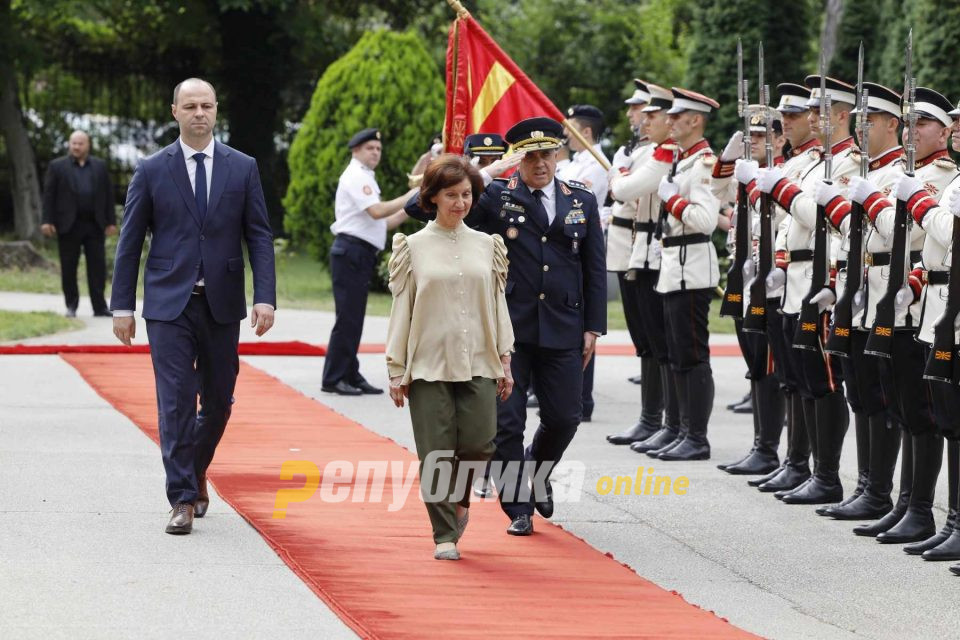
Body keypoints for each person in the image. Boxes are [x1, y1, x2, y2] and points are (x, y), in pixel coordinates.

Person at [405, 116, 606, 536]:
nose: (540, 164)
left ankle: (538, 469)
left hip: (564, 326)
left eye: (547, 155)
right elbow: (418, 206)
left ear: (558, 155)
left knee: (565, 416)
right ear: (516, 159)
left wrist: (593, 327)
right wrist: (487, 171)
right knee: (506, 424)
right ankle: (518, 507)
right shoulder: (494, 195)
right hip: (506, 330)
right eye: (530, 156)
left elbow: (594, 267)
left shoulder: (580, 199)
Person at [110, 77, 277, 535]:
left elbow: (258, 235)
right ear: (174, 112)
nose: (199, 112)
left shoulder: (242, 167)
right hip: (168, 303)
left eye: (206, 105)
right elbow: (129, 243)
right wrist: (121, 305)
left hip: (222, 303)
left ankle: (195, 467)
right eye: (190, 106)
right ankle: (182, 496)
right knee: (177, 402)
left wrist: (265, 296)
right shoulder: (151, 169)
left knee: (219, 402)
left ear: (216, 111)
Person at [385, 154, 515, 560]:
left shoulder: (488, 245)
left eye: (466, 195)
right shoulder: (413, 247)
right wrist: (396, 368)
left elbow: (497, 304)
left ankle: (459, 502)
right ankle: (444, 534)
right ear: (433, 198)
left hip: (479, 357)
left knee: (480, 443)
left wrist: (505, 358)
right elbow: (402, 309)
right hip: (427, 362)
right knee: (436, 451)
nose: (460, 203)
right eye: (451, 195)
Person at [756, 75, 858, 503]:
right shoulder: (816, 162)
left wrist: (780, 188)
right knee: (796, 377)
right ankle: (800, 463)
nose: (813, 120)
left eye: (820, 112)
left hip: (821, 279)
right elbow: (788, 224)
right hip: (794, 276)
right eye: (810, 112)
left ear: (841, 116)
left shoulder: (850, 163)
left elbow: (821, 217)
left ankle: (826, 473)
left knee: (824, 381)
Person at [712, 108, 788, 476]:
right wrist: (728, 157)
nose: (753, 142)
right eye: (750, 137)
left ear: (779, 139)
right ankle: (761, 445)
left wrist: (752, 181)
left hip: (770, 277)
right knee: (755, 363)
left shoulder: (780, 173)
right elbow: (716, 189)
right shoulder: (747, 172)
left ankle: (770, 448)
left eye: (761, 136)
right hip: (743, 271)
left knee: (770, 364)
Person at [650, 87, 721, 461]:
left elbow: (706, 221)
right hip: (674, 266)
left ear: (696, 120)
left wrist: (672, 200)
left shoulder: (705, 163)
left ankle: (697, 436)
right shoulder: (684, 161)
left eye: (677, 117)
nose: (670, 122)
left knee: (692, 356)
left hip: (692, 268)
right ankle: (679, 429)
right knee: (677, 355)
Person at [322, 128, 416, 396]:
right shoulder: (355, 176)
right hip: (350, 251)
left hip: (358, 252)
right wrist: (412, 194)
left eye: (378, 148)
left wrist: (416, 205)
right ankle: (334, 377)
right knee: (348, 319)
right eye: (369, 148)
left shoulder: (365, 177)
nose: (375, 152)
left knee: (354, 318)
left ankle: (349, 373)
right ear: (356, 151)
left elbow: (385, 222)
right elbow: (377, 211)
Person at [41, 130, 117, 317]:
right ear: (69, 144)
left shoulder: (99, 166)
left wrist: (111, 221)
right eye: (73, 143)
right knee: (68, 267)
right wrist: (47, 220)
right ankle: (71, 306)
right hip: (68, 225)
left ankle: (99, 307)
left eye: (80, 143)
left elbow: (108, 194)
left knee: (97, 268)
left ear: (88, 145)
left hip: (95, 225)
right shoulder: (57, 166)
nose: (76, 146)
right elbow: (49, 196)